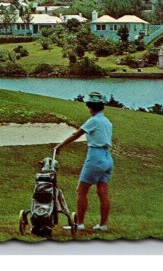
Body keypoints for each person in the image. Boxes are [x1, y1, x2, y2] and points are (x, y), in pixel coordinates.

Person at [56, 91, 113, 233]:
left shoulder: (93, 120)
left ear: (91, 107)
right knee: (103, 192)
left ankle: (79, 223)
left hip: (95, 156)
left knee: (81, 191)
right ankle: (103, 225)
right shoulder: (107, 121)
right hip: (107, 157)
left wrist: (60, 146)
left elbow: (77, 134)